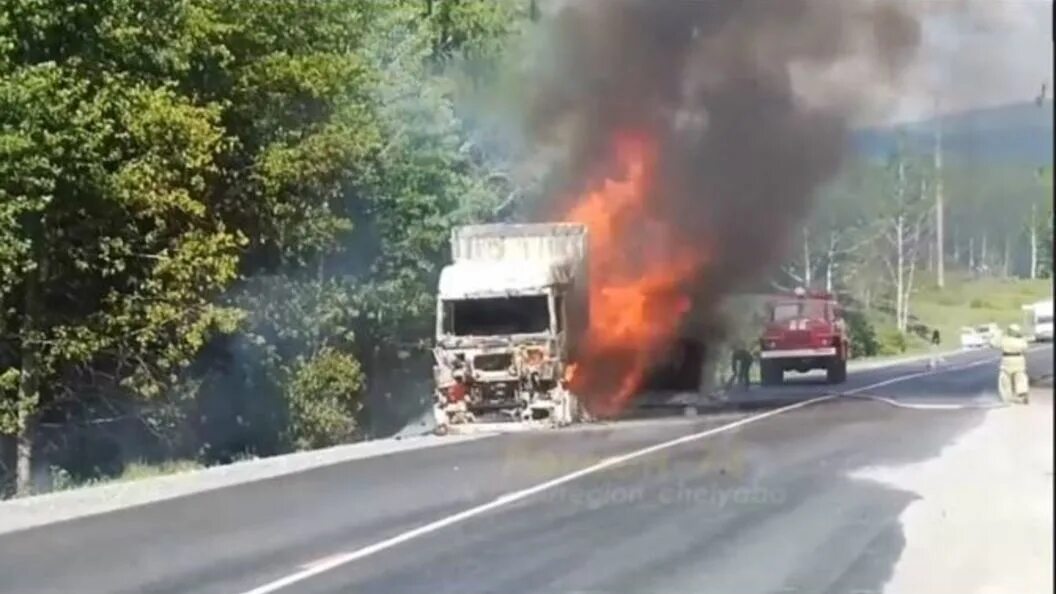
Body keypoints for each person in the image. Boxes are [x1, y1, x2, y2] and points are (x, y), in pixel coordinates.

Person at [991, 323, 1030, 404]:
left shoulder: (1004, 339)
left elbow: (993, 344)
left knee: (1005, 378)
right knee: (1020, 376)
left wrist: (997, 334)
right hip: (1019, 359)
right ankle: (1022, 393)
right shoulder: (1021, 340)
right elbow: (1025, 349)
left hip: (1007, 359)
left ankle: (1007, 397)